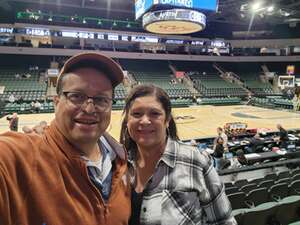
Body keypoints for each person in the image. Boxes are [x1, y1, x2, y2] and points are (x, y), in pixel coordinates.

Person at [0, 52, 131, 225]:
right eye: (77, 96)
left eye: (101, 99)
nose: (89, 109)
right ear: (56, 102)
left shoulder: (121, 159)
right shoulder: (19, 157)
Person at [120, 84, 236, 225]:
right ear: (127, 119)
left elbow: (224, 221)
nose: (144, 121)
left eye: (155, 113)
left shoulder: (195, 161)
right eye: (136, 114)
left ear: (167, 119)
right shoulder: (118, 163)